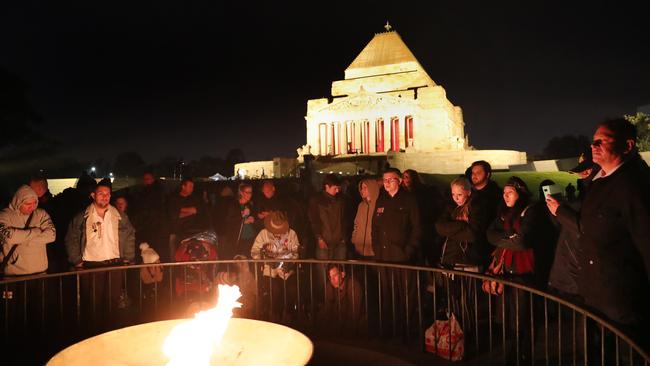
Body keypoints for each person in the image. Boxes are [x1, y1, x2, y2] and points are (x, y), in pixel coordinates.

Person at [547, 118, 650, 351]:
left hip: (621, 302)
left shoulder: (635, 186)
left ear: (628, 146)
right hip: (595, 295)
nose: (594, 146)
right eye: (593, 141)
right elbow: (590, 227)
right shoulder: (601, 181)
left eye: (602, 141)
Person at [486, 176, 556, 363]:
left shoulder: (531, 211)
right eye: (504, 193)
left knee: (524, 319)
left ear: (520, 193)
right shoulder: (504, 212)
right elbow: (490, 234)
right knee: (510, 319)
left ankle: (524, 354)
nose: (505, 196)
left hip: (526, 272)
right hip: (507, 270)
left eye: (510, 192)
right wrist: (510, 237)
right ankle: (514, 351)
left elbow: (523, 241)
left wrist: (508, 239)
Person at [64, 180, 136, 330]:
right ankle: (93, 334)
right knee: (93, 304)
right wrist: (76, 260)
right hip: (91, 265)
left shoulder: (119, 216)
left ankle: (110, 333)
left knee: (113, 302)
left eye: (108, 194)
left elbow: (130, 234)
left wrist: (128, 257)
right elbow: (71, 238)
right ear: (92, 195)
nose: (105, 197)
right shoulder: (82, 217)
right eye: (101, 193)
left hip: (115, 263)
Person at [372, 168, 420, 337]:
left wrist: (409, 250)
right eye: (384, 180)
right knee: (388, 295)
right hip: (384, 257)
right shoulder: (381, 200)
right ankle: (390, 330)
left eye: (390, 180)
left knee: (406, 297)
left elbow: (416, 228)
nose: (386, 183)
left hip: (403, 257)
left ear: (399, 181)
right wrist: (377, 249)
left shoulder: (409, 200)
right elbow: (375, 227)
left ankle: (407, 331)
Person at [250, 211, 300, 322]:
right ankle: (274, 318)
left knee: (292, 290)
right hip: (270, 272)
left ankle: (289, 317)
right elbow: (254, 252)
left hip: (287, 272)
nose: (278, 233)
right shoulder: (263, 234)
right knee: (275, 291)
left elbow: (296, 253)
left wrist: (290, 263)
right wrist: (265, 257)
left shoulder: (292, 234)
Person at [435, 176, 489, 270]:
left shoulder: (476, 207)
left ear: (468, 192)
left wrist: (450, 231)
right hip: (450, 258)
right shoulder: (451, 207)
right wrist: (462, 225)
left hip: (469, 259)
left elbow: (472, 235)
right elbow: (439, 226)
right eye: (453, 194)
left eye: (459, 194)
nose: (455, 198)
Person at [0, 185, 56, 276]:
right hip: (13, 275)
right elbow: (8, 237)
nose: (32, 207)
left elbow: (51, 236)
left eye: (34, 203)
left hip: (41, 273)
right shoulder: (4, 216)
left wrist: (20, 237)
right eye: (27, 204)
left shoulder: (41, 214)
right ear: (18, 202)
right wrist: (36, 232)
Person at [167, 178, 209, 260]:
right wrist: (190, 211)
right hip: (175, 232)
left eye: (192, 186)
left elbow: (197, 210)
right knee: (174, 256)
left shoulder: (194, 198)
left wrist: (180, 209)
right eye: (190, 186)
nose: (192, 188)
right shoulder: (174, 199)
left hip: (189, 233)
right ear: (183, 186)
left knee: (187, 256)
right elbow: (174, 215)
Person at [319, 264, 364, 333]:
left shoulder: (353, 286)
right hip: (336, 324)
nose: (332, 280)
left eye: (335, 275)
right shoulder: (329, 286)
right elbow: (328, 309)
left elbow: (354, 313)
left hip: (351, 327)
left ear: (342, 274)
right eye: (330, 277)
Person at [350, 178, 379, 259]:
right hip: (359, 248)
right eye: (361, 188)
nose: (362, 190)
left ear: (372, 188)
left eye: (365, 188)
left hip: (373, 250)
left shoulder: (379, 205)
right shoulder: (361, 205)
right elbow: (356, 223)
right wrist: (354, 239)